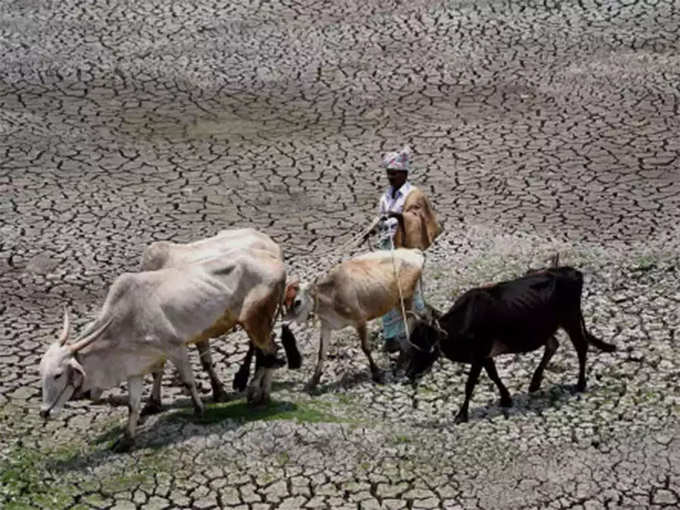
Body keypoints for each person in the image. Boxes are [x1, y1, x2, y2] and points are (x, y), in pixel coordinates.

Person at [369, 145, 442, 353]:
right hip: (387, 248)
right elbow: (381, 217)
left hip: (406, 250)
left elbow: (417, 220)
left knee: (409, 291)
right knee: (387, 290)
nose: (390, 177)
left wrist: (399, 217)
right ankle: (392, 336)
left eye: (393, 174)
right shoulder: (386, 196)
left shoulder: (414, 195)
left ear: (404, 173)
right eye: (388, 174)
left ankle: (420, 331)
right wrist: (375, 228)